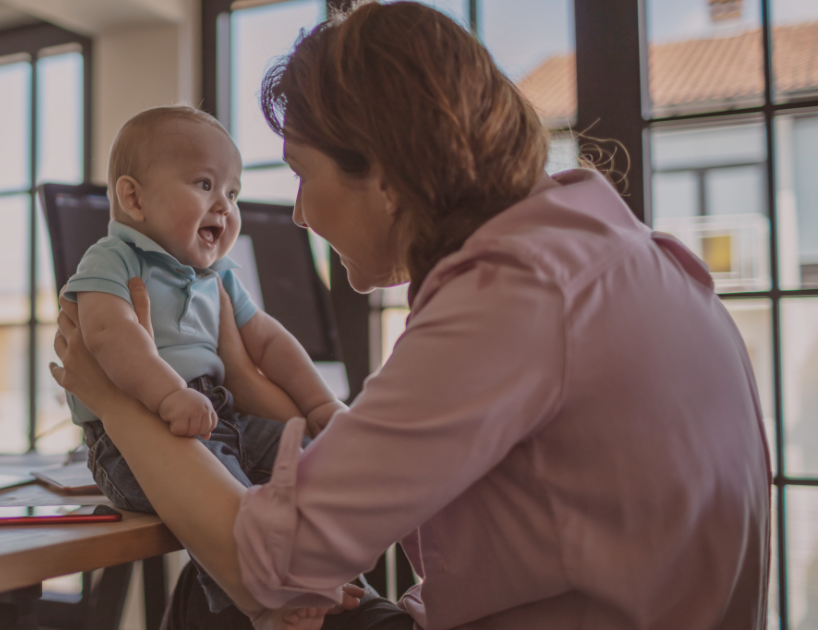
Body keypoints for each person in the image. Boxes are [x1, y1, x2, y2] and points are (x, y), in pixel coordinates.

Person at [51, 2, 771, 629]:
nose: (297, 212)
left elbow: (260, 565)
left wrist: (116, 402)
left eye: (303, 174)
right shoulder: (609, 249)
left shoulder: (512, 295)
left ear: (388, 174)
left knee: (208, 606)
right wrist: (244, 378)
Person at [60, 105, 345, 613]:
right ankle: (257, 600)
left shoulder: (221, 275)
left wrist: (320, 405)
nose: (225, 207)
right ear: (133, 198)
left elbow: (269, 341)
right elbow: (108, 333)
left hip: (218, 414)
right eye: (204, 184)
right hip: (131, 442)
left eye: (232, 193)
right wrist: (170, 393)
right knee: (225, 499)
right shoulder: (113, 258)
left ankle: (336, 577)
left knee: (310, 464)